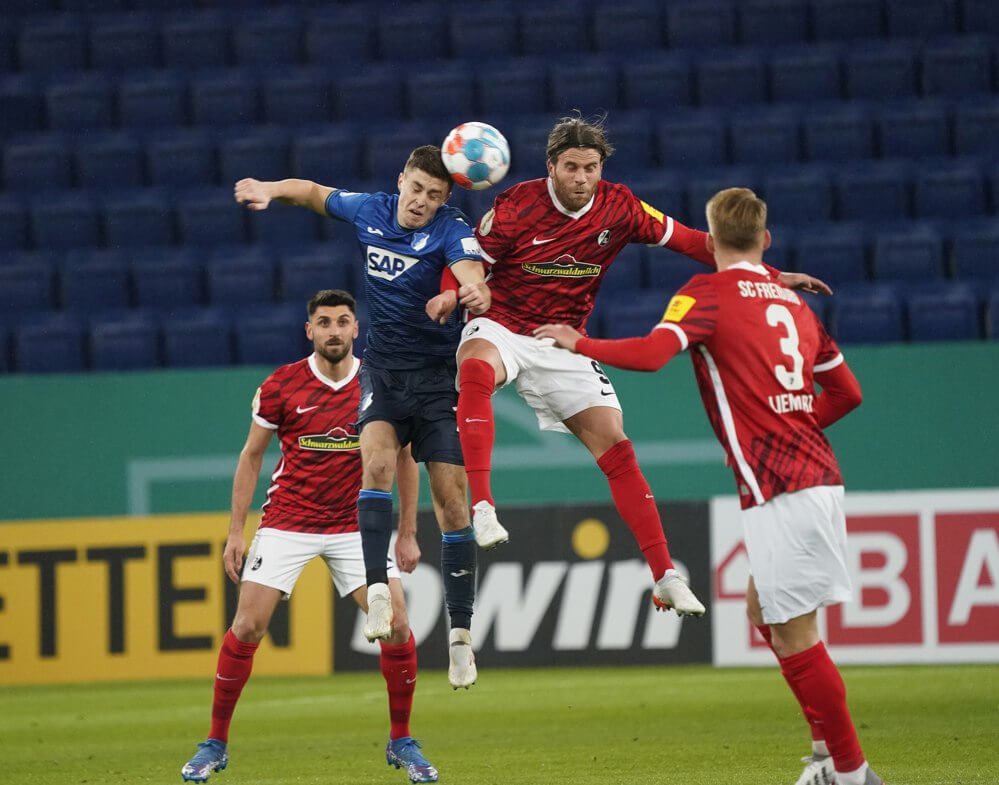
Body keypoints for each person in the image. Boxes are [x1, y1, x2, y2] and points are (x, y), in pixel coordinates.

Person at [535, 187, 884, 785]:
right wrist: (785, 428)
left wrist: (578, 341)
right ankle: (828, 758)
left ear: (712, 239)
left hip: (785, 486)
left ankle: (850, 773)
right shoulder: (795, 305)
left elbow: (652, 355)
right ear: (765, 240)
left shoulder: (706, 293)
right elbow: (846, 393)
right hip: (814, 476)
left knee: (797, 632)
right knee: (762, 608)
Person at [447, 115, 830, 616]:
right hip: (503, 323)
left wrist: (770, 275)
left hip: (562, 338)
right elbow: (464, 260)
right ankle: (483, 506)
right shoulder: (516, 207)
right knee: (476, 370)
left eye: (590, 168)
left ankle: (666, 575)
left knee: (618, 446)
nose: (581, 178)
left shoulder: (620, 206)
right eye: (571, 167)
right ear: (551, 167)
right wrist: (460, 291)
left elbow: (692, 240)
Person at [234, 146, 493, 690]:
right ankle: (377, 590)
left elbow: (473, 274)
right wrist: (270, 189)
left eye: (434, 195)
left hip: (436, 382)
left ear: (445, 199)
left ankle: (460, 636)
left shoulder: (452, 229)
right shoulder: (369, 209)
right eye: (416, 188)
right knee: (375, 464)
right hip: (383, 373)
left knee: (453, 503)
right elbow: (312, 192)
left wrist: (473, 290)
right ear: (401, 180)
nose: (421, 201)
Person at [180, 290, 438, 784]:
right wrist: (236, 531)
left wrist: (407, 531)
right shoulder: (281, 385)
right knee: (247, 626)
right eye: (324, 322)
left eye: (342, 321)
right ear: (310, 331)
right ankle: (214, 743)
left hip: (356, 526)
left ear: (356, 328)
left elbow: (405, 459)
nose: (334, 331)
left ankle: (402, 740)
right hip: (288, 522)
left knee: (398, 625)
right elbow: (251, 456)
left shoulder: (381, 384)